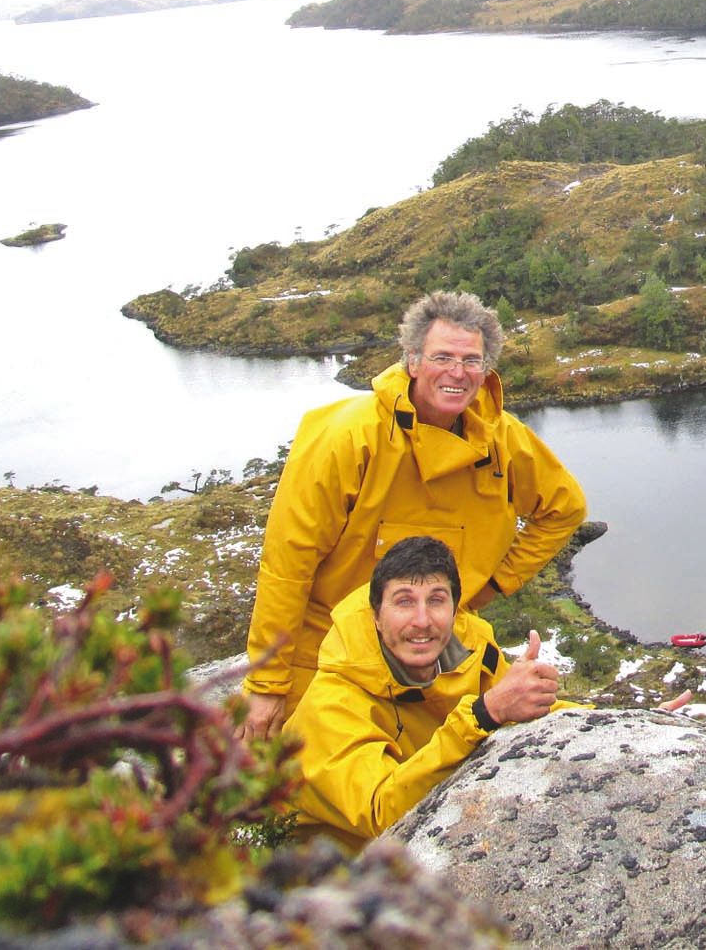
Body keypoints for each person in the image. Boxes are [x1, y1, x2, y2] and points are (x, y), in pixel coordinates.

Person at [239, 290, 587, 741]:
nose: (457, 373)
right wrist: (267, 684)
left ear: (486, 371)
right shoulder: (350, 436)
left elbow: (565, 508)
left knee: (460, 752)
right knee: (297, 783)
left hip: (433, 643)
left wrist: (491, 585)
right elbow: (288, 565)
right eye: (442, 356)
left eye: (471, 360)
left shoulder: (502, 437)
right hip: (329, 646)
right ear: (413, 361)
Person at [284, 535, 576, 850]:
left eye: (436, 600)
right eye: (404, 601)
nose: (422, 621)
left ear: (454, 610)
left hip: (431, 845)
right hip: (335, 869)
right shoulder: (331, 703)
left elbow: (516, 707)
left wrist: (599, 719)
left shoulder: (471, 650)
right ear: (377, 617)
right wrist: (482, 715)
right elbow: (381, 814)